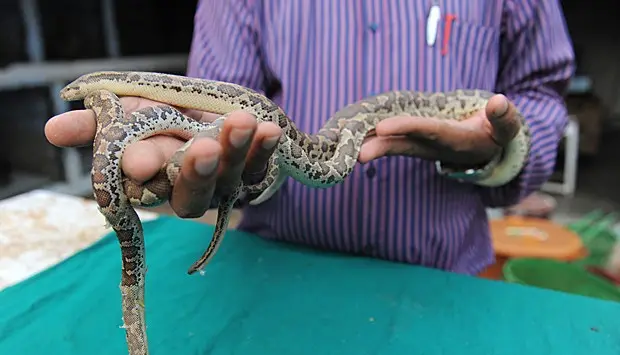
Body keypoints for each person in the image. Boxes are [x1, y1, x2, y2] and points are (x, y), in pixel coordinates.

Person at [45, 0, 575, 275]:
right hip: (273, 270)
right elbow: (222, 114)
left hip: (444, 274)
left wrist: (500, 146)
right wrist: (244, 169)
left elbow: (542, 93)